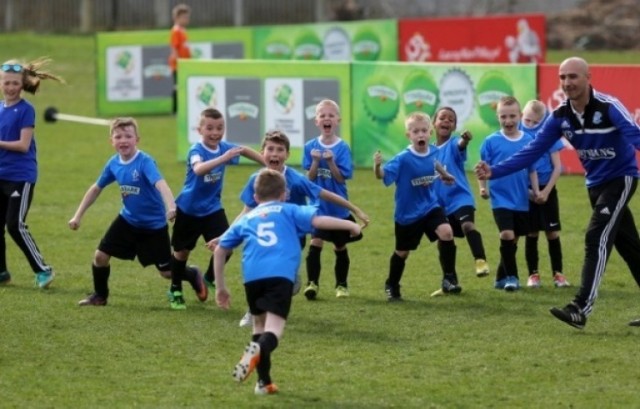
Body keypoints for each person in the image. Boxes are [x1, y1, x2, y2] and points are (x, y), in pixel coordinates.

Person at [475, 57, 640, 329]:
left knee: (595, 236)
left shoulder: (609, 107)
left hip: (620, 180)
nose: (567, 83)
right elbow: (532, 151)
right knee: (630, 247)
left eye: (573, 76)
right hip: (595, 186)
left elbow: (635, 137)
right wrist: (494, 171)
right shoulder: (560, 116)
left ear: (589, 77)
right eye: (562, 77)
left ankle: (580, 308)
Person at [211, 168, 361, 395]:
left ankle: (264, 383)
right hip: (279, 275)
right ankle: (253, 354)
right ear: (284, 194)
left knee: (259, 327)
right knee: (274, 331)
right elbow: (320, 220)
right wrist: (351, 225)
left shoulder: (247, 218)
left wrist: (221, 287)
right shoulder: (289, 210)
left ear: (255, 197)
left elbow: (220, 250)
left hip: (252, 277)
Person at [223, 130, 369, 326]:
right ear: (262, 152)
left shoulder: (296, 179)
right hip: (261, 234)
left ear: (287, 155)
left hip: (292, 236)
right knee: (257, 270)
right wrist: (225, 236)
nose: (274, 154)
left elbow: (324, 193)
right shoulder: (256, 180)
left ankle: (279, 288)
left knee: (272, 272)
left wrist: (355, 209)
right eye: (270, 149)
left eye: (280, 150)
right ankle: (253, 310)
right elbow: (246, 211)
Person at [68, 117, 178, 306]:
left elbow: (161, 184)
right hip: (128, 221)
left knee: (167, 273)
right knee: (100, 256)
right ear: (111, 142)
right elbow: (96, 188)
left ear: (137, 139)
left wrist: (171, 207)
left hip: (154, 226)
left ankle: (192, 275)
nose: (123, 140)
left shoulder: (145, 162)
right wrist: (78, 215)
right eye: (118, 137)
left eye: (128, 136)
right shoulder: (113, 163)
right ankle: (100, 296)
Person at [168, 107, 264, 310]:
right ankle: (175, 289)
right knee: (181, 253)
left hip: (212, 209)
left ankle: (209, 276)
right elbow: (199, 169)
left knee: (227, 244)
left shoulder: (224, 147)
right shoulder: (196, 150)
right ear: (199, 130)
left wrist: (269, 163)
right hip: (188, 210)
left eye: (220, 128)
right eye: (210, 128)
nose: (215, 132)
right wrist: (223, 158)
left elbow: (244, 150)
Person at [373, 111, 460, 301]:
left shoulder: (434, 150)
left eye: (423, 131)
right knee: (402, 252)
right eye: (415, 132)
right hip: (407, 213)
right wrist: (377, 167)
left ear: (430, 132)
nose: (420, 135)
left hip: (430, 206)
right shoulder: (403, 158)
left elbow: (434, 162)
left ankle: (449, 278)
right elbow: (382, 176)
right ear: (408, 135)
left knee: (446, 232)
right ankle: (392, 284)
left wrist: (444, 174)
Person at [0, 58, 63, 289]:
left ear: (22, 83)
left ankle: (43, 270)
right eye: (6, 83)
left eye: (15, 83)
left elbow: (23, 145)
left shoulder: (26, 110)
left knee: (15, 225)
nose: (10, 87)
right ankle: (2, 273)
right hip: (1, 175)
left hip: (20, 177)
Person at [303, 99, 363, 300]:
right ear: (316, 121)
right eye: (322, 115)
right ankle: (312, 283)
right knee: (316, 241)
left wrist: (330, 162)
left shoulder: (342, 148)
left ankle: (341, 285)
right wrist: (315, 161)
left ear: (338, 120)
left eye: (331, 115)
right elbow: (310, 178)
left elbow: (340, 178)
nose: (326, 119)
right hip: (318, 206)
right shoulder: (310, 146)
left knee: (339, 246)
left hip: (338, 207)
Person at [478, 96, 538, 292]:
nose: (508, 120)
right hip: (499, 198)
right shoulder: (491, 141)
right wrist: (482, 187)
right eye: (504, 116)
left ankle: (500, 277)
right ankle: (513, 277)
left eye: (512, 116)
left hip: (520, 198)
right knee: (506, 233)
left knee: (513, 239)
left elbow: (532, 170)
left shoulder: (529, 140)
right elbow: (481, 168)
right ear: (497, 117)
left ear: (520, 116)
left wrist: (536, 191)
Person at [432, 106, 490, 279]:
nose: (446, 121)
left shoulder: (454, 144)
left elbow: (460, 144)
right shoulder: (427, 151)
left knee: (467, 226)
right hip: (439, 204)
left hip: (460, 198)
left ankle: (480, 261)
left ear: (454, 127)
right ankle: (450, 280)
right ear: (434, 123)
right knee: (444, 237)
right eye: (442, 118)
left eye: (451, 119)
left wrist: (465, 139)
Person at [519, 100, 570, 289]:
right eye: (526, 120)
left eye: (534, 122)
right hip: (528, 191)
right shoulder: (517, 133)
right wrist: (530, 192)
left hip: (547, 188)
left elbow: (557, 167)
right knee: (531, 233)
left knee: (552, 232)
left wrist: (546, 191)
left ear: (542, 121)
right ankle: (533, 275)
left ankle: (558, 275)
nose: (529, 125)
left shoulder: (548, 135)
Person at [168, 3, 191, 114]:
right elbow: (174, 47)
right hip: (178, 64)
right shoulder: (176, 31)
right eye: (184, 17)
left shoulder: (183, 31)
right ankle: (175, 110)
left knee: (182, 86)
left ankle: (182, 108)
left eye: (187, 17)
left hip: (185, 63)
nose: (187, 20)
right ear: (177, 18)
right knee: (177, 87)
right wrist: (178, 62)